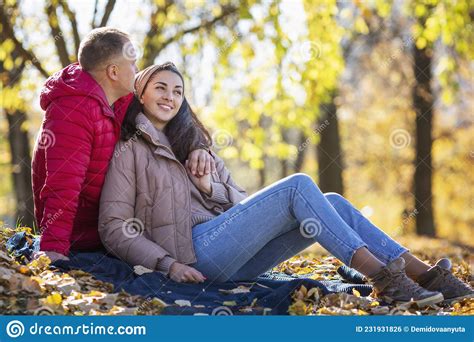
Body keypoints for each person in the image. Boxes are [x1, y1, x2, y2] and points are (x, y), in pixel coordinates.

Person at [98, 62, 473, 307]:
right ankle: (383, 278)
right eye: (160, 88)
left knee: (333, 202)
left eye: (177, 91)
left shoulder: (196, 145)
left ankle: (424, 275)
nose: (170, 97)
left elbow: (241, 204)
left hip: (233, 257)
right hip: (193, 257)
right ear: (141, 94)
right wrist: (167, 264)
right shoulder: (130, 151)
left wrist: (209, 184)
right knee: (297, 186)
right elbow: (114, 228)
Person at [32, 28, 214, 263]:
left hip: (126, 226)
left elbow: (172, 115)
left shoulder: (119, 100)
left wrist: (198, 146)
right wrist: (54, 250)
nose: (138, 70)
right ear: (114, 72)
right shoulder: (72, 112)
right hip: (83, 240)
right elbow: (62, 187)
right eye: (133, 63)